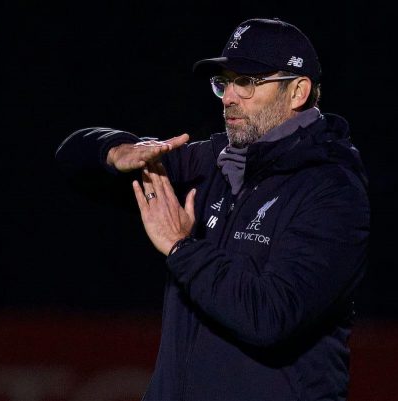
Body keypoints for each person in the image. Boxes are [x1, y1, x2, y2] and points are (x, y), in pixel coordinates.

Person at [55, 17, 370, 401]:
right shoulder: (210, 163)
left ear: (298, 91)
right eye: (224, 82)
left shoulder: (332, 191)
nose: (229, 97)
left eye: (247, 82)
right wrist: (115, 150)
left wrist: (182, 249)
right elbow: (73, 162)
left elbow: (271, 317)